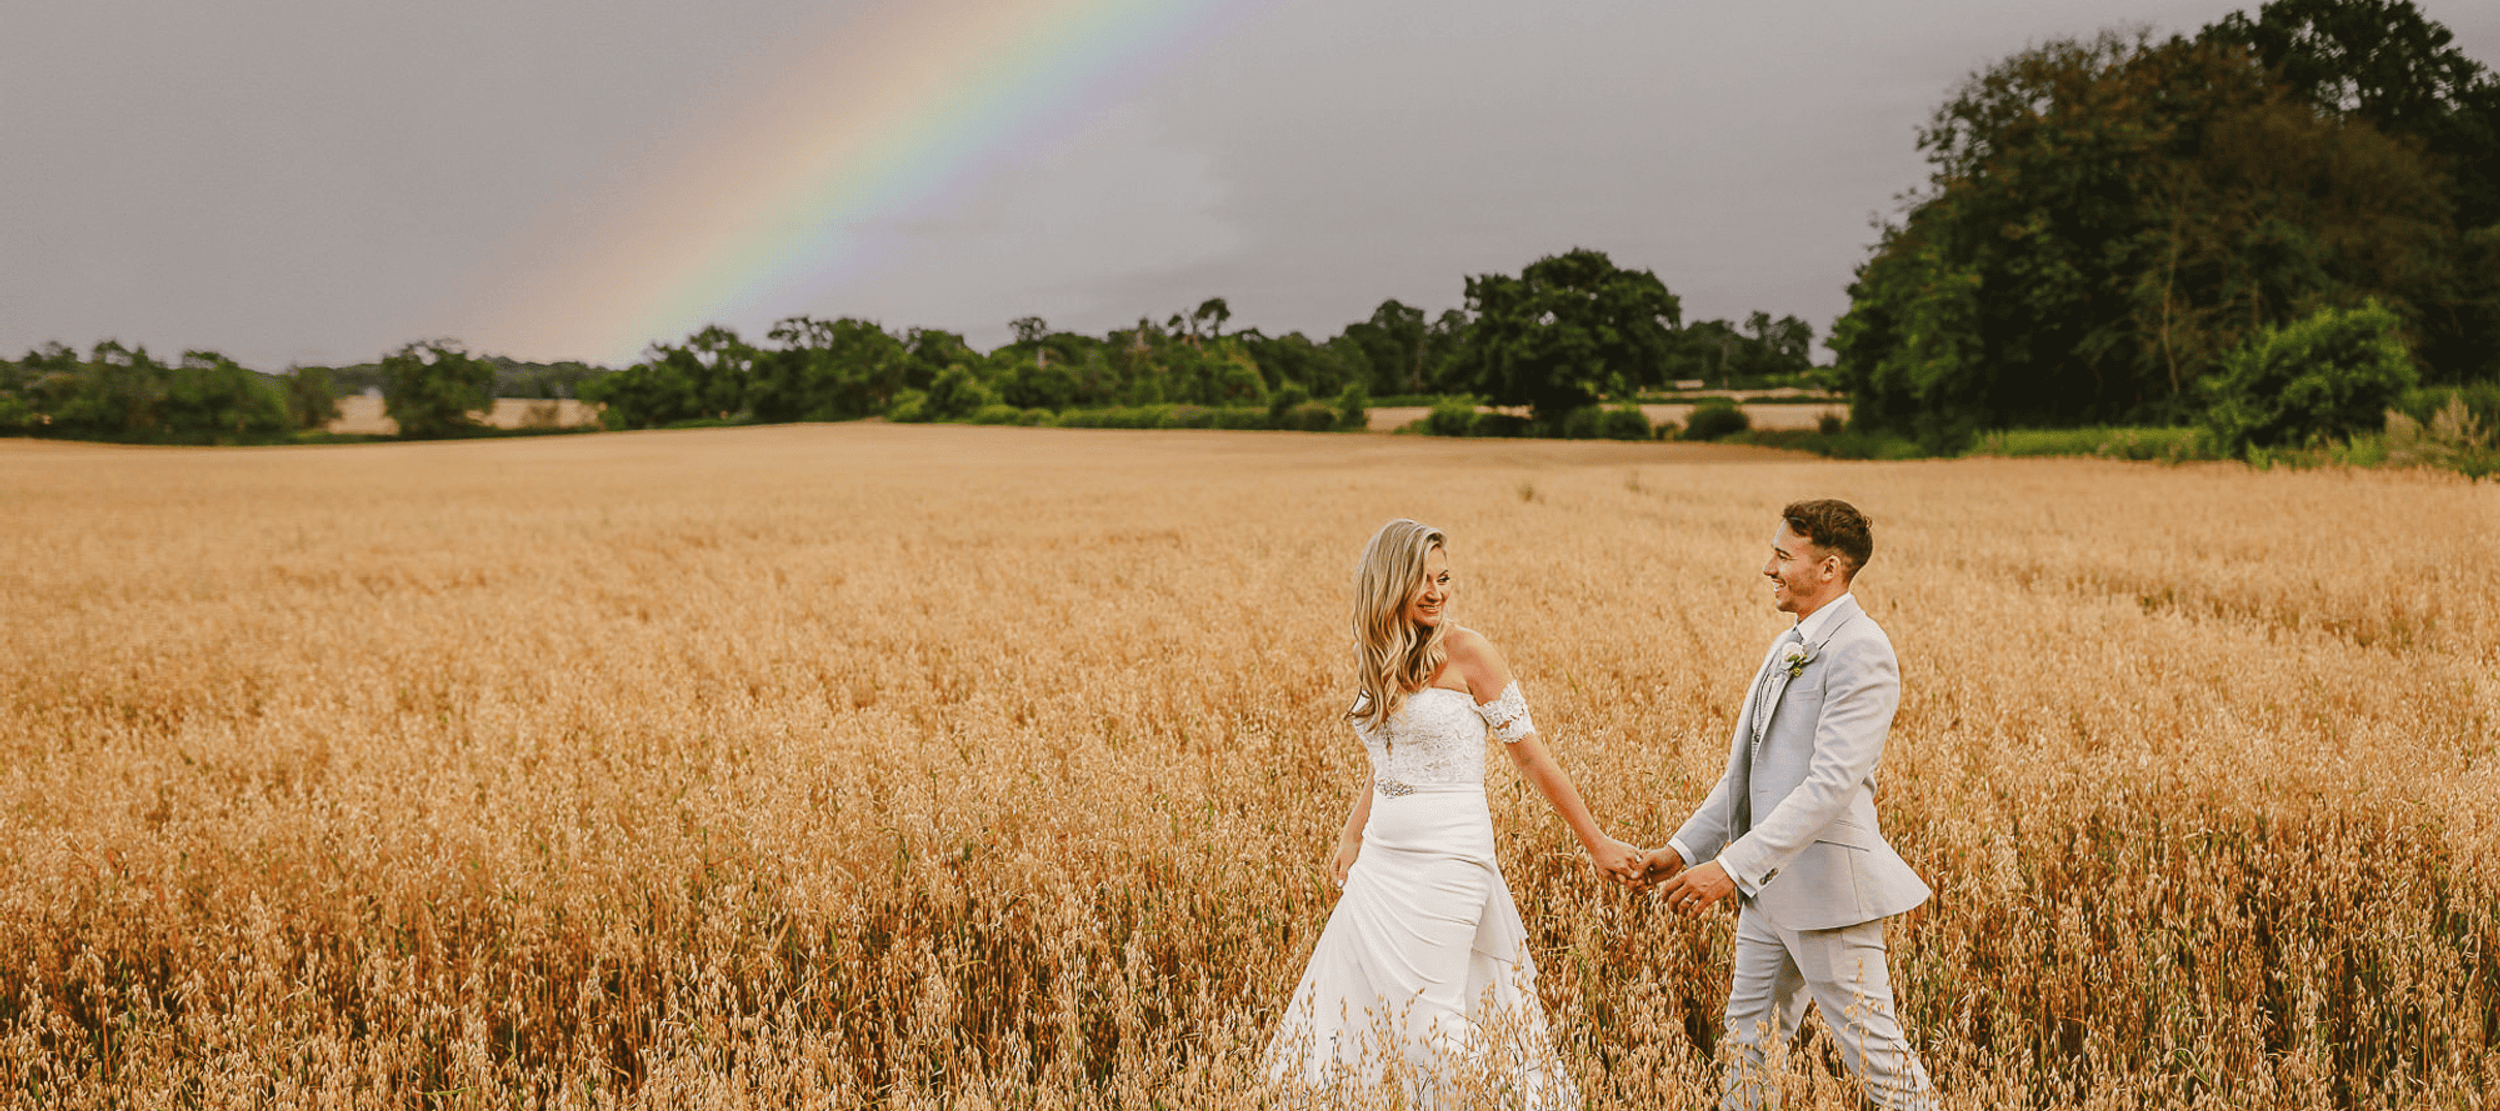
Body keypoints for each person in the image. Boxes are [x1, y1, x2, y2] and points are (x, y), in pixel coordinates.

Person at [1266, 518, 1643, 1106]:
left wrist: (1596, 841)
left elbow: (1533, 761)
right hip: (1381, 864)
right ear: (1388, 583)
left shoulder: (1470, 652)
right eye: (1423, 579)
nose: (1437, 592)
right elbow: (1389, 759)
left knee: (1428, 1023)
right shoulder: (1380, 655)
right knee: (1346, 1011)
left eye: (1444, 579)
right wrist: (1351, 836)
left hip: (1450, 859)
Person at [1644, 499, 1935, 1109]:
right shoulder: (1789, 644)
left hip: (1830, 893)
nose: (1768, 567)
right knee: (1746, 1040)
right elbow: (1746, 778)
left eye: (1783, 555)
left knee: (1877, 1059)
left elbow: (1829, 786)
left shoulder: (1862, 650)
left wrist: (1729, 868)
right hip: (1768, 893)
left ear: (1828, 568)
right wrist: (1682, 849)